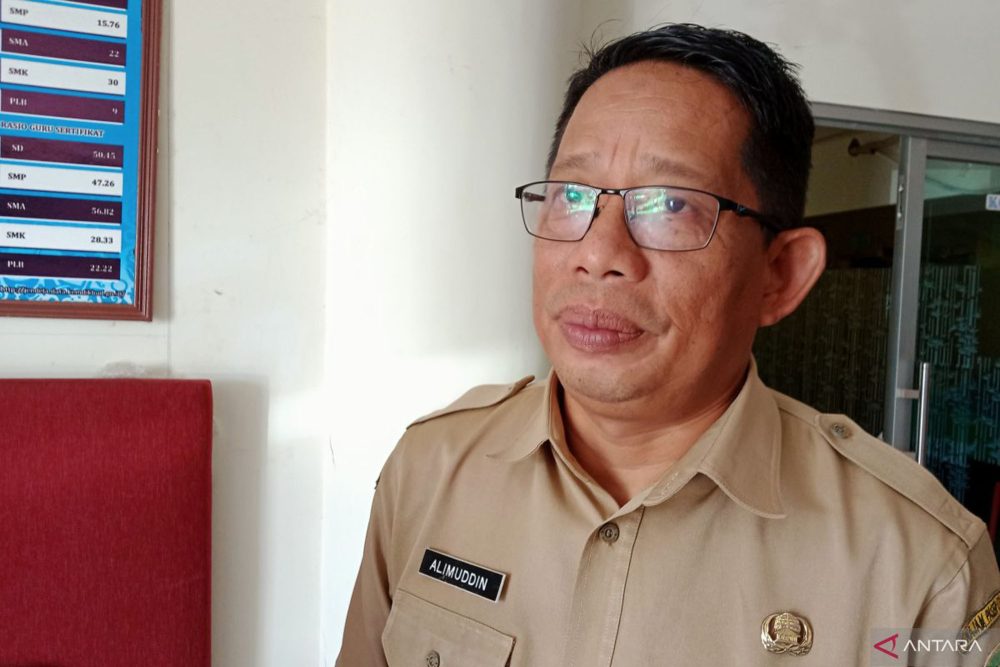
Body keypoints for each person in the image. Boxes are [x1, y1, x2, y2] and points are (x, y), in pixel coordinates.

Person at [337, 23, 1000, 666]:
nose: (599, 254)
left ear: (780, 274)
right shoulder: (432, 468)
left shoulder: (921, 566)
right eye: (573, 195)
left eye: (670, 204)